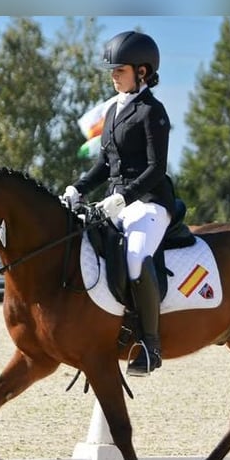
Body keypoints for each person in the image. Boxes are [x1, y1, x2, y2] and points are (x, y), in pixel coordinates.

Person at [62, 30, 174, 377]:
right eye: (112, 70)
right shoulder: (112, 111)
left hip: (151, 202)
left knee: (137, 257)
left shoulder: (153, 112)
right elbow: (103, 165)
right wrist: (77, 189)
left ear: (142, 72)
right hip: (115, 201)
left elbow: (157, 168)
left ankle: (150, 345)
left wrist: (123, 197)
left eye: (119, 70)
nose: (113, 76)